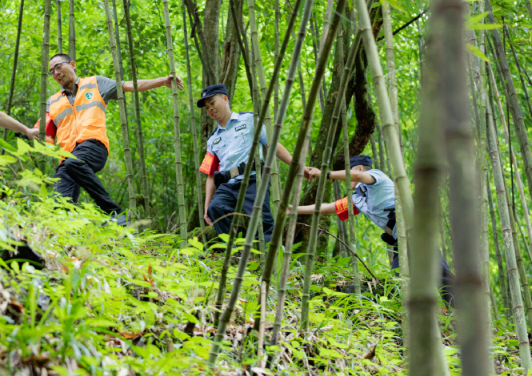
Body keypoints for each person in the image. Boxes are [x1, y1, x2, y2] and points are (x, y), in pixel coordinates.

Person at [41, 53, 183, 223]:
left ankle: (115, 213)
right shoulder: (52, 101)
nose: (56, 73)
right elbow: (42, 129)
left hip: (93, 145)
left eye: (58, 67)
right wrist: (27, 132)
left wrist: (162, 81)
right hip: (66, 157)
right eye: (51, 71)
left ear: (72, 64)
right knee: (58, 206)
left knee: (74, 163)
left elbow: (129, 85)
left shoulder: (95, 83)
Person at [296, 154, 454, 304]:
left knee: (437, 273)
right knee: (401, 279)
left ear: (359, 168)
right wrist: (294, 209)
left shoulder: (376, 176)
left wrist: (325, 174)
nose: (346, 179)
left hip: (415, 230)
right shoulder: (357, 198)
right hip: (401, 240)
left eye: (348, 172)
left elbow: (358, 177)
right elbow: (326, 208)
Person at [198, 84, 311, 242]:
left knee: (262, 223)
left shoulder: (250, 120)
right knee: (215, 208)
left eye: (212, 102)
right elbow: (210, 175)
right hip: (227, 185)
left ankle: (269, 255)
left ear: (225, 99)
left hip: (252, 179)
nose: (210, 109)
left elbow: (273, 145)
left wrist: (298, 167)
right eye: (206, 107)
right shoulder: (212, 140)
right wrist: (206, 208)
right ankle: (235, 252)